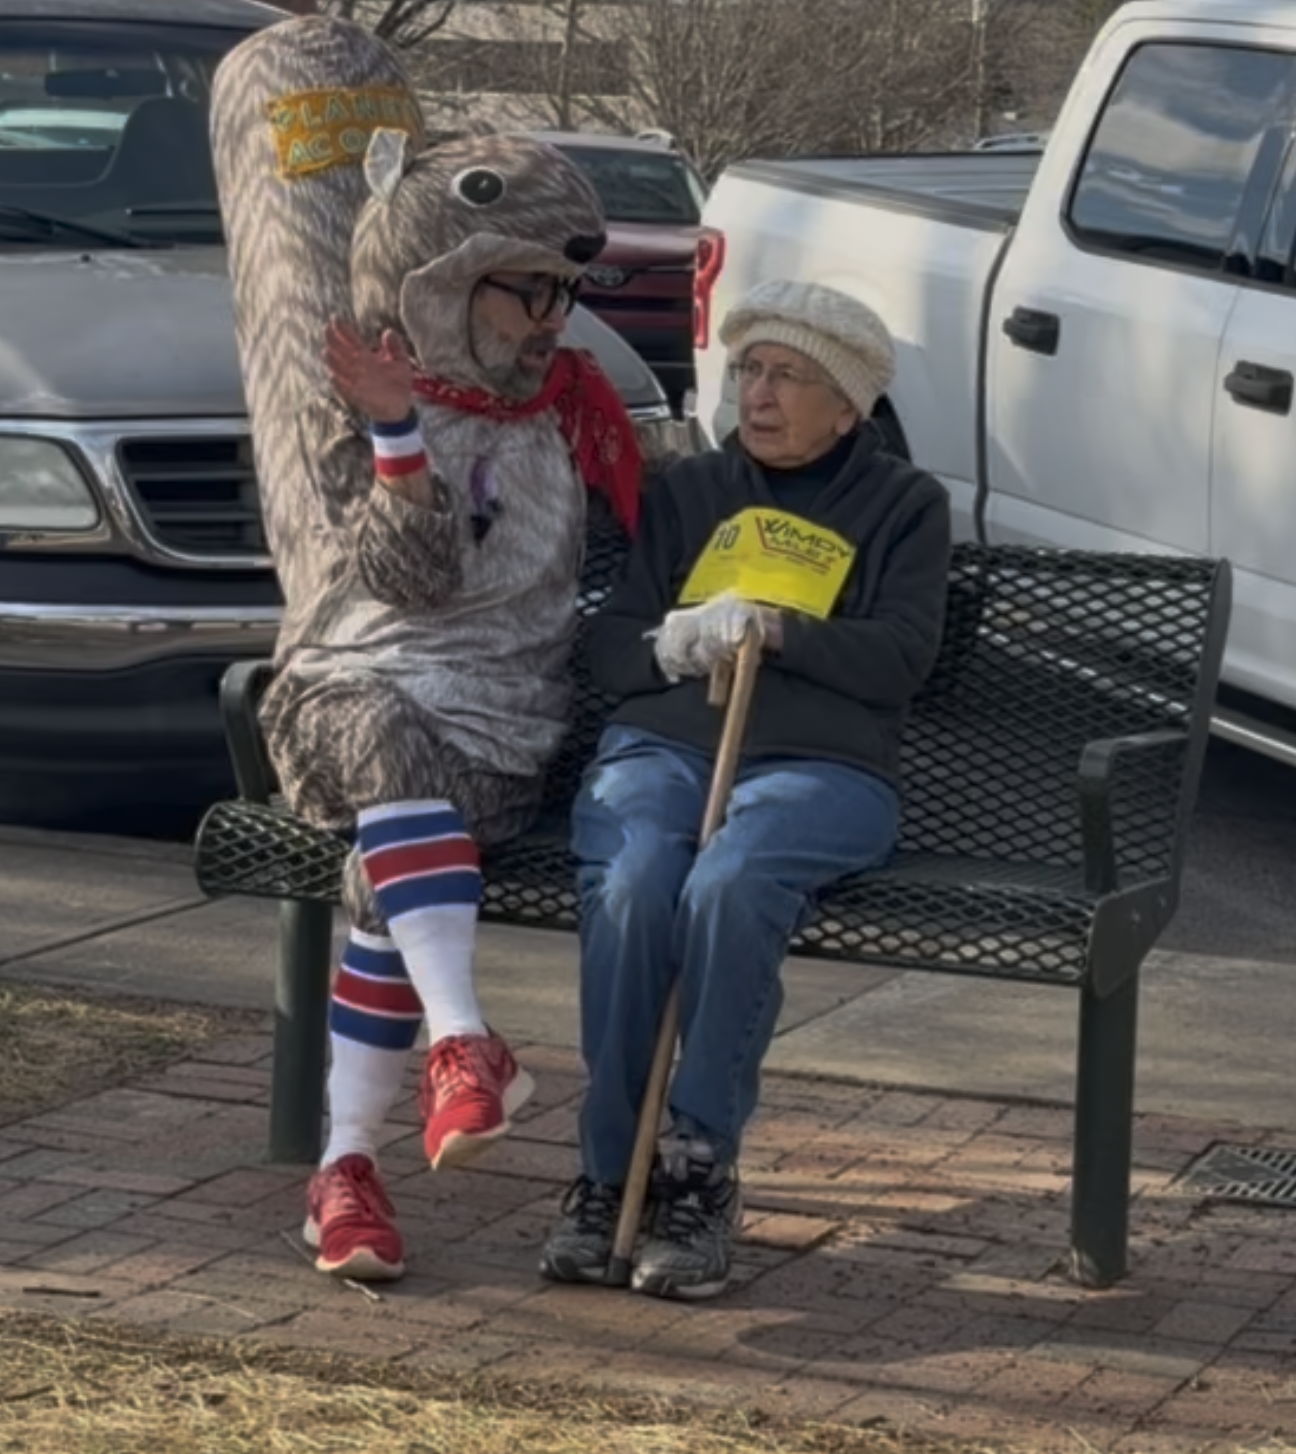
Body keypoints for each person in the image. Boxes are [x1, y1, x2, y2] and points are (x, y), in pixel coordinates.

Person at [257, 128, 643, 1283]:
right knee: (382, 735)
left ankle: (345, 1170)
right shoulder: (357, 402)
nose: (552, 321)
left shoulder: (574, 414)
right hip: (343, 694)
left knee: (390, 864)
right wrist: (393, 431)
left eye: (566, 294)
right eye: (533, 291)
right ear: (449, 281)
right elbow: (407, 581)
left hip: (495, 734)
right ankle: (464, 1036)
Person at [539, 279, 952, 1301]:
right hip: (666, 750)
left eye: (789, 376)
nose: (758, 395)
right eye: (749, 370)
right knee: (637, 881)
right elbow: (609, 648)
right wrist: (668, 640)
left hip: (821, 771)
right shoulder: (688, 492)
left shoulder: (904, 505)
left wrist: (778, 627)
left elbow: (902, 658)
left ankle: (693, 1167)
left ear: (848, 404)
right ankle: (606, 1171)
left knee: (731, 880)